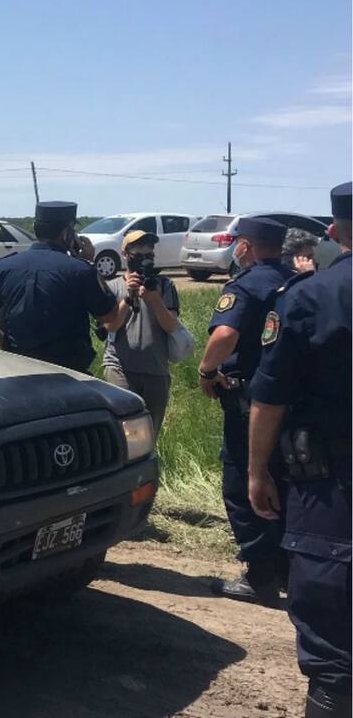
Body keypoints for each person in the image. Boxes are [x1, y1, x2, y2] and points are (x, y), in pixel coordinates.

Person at [247, 182, 351, 718]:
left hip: (335, 488)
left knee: (336, 652)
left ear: (334, 231)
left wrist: (256, 471)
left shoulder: (310, 297)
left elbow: (270, 396)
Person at [196, 215, 292, 606]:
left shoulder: (246, 285)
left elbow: (225, 334)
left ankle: (260, 576)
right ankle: (287, 567)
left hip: (248, 401)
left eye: (237, 241)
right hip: (288, 401)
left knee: (241, 482)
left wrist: (206, 370)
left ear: (246, 246)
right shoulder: (293, 280)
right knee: (283, 481)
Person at [0, 201, 118, 373]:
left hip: (18, 370)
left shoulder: (5, 266)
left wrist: (4, 343)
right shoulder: (80, 270)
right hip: (67, 374)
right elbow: (109, 315)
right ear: (67, 234)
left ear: (36, 229)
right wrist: (89, 263)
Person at [99, 229, 181, 438]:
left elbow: (171, 326)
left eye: (149, 255)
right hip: (120, 367)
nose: (145, 259)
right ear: (125, 254)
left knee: (148, 435)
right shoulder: (112, 286)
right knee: (123, 431)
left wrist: (154, 299)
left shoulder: (164, 286)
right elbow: (110, 326)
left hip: (156, 369)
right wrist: (128, 297)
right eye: (139, 254)